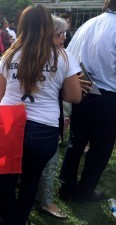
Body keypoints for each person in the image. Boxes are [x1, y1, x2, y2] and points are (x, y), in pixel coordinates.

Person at [0, 5, 81, 225]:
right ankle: (20, 220)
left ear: (22, 26)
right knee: (31, 180)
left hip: (8, 121)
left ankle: (7, 219)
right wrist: (53, 87)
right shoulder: (62, 55)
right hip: (43, 128)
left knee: (7, 177)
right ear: (47, 26)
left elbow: (0, 93)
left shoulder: (9, 54)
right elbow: (75, 96)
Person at [59, 0, 116, 202]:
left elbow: (69, 56)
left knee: (77, 140)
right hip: (108, 95)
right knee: (101, 147)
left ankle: (65, 187)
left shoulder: (89, 24)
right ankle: (85, 191)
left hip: (83, 89)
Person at [35, 15, 69, 220]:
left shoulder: (60, 55)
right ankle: (45, 200)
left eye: (64, 34)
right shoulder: (58, 57)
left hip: (39, 117)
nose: (63, 38)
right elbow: (72, 94)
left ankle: (41, 198)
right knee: (49, 161)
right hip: (44, 119)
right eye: (59, 34)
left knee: (47, 162)